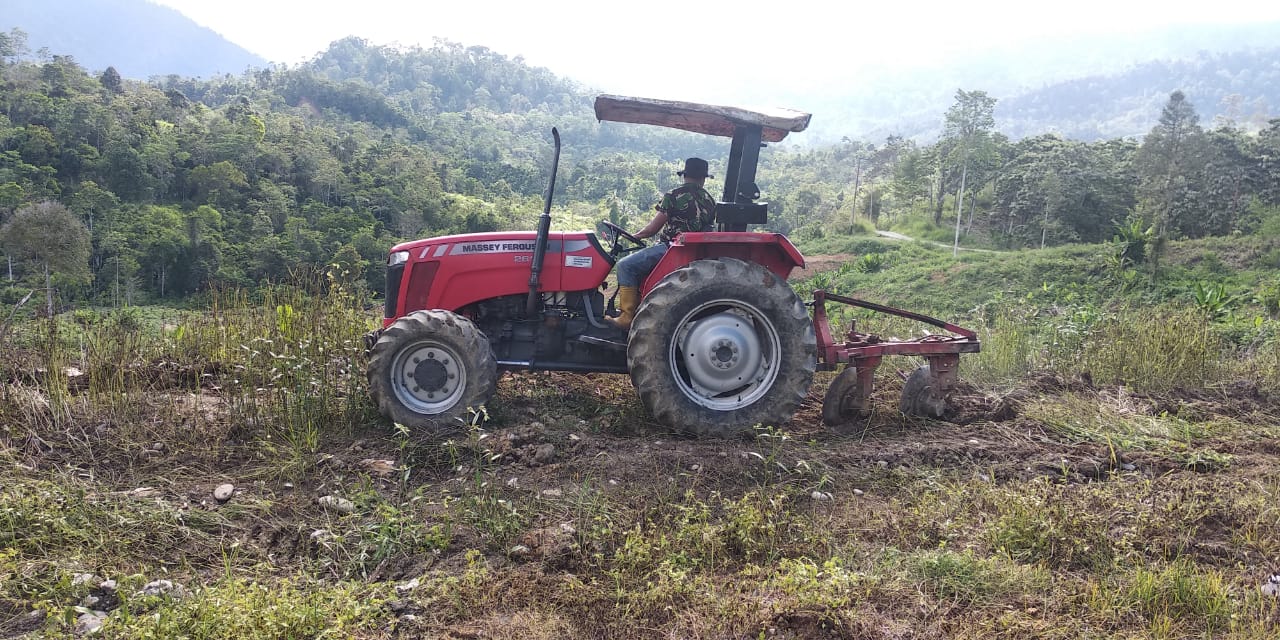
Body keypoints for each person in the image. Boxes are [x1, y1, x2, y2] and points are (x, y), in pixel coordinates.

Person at [607, 157, 717, 331]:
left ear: (685, 175)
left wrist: (635, 235)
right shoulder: (710, 201)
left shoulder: (674, 195)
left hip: (670, 249)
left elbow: (652, 229)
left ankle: (627, 316)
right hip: (694, 252)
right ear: (703, 178)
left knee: (625, 266)